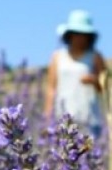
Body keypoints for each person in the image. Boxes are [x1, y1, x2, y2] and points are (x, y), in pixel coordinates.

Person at [45, 10, 107, 139]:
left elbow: (105, 88)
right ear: (69, 35)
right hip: (62, 118)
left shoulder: (95, 57)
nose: (80, 38)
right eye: (77, 34)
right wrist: (47, 116)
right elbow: (51, 88)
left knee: (90, 155)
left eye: (84, 34)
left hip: (89, 118)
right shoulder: (57, 57)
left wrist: (95, 81)